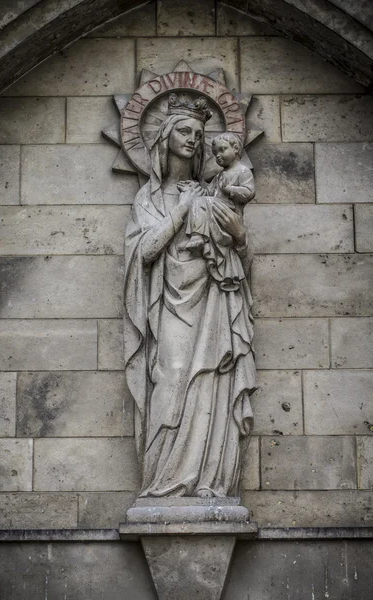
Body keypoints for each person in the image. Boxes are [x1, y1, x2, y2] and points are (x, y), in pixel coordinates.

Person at [124, 93, 256, 498]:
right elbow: (143, 253)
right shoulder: (149, 199)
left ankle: (207, 481)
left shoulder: (213, 193)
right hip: (168, 308)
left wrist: (237, 236)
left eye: (200, 134)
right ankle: (163, 482)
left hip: (215, 301)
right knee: (172, 378)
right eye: (184, 130)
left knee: (209, 384)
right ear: (164, 137)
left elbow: (241, 259)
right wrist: (181, 210)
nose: (194, 140)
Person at [180, 132, 255, 291]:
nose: (218, 156)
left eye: (222, 150)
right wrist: (194, 188)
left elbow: (249, 192)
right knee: (199, 201)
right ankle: (198, 236)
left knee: (202, 202)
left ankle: (199, 235)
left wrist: (230, 189)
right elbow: (210, 193)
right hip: (215, 211)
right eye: (215, 153)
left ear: (235, 149)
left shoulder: (243, 171)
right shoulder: (220, 175)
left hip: (229, 212)